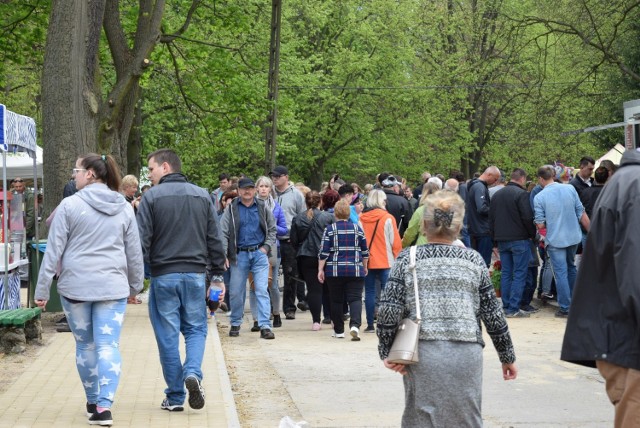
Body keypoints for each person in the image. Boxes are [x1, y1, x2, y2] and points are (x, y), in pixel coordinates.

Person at [376, 190, 517, 427]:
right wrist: (507, 356)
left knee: (420, 416)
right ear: (459, 225)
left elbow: (390, 310)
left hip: (421, 351)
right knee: (466, 416)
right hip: (466, 352)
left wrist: (387, 350)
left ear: (423, 225)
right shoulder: (474, 260)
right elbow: (493, 314)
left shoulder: (407, 259)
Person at [34, 153, 144, 426]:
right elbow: (134, 251)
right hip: (113, 287)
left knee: (85, 345)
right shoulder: (124, 206)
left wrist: (42, 290)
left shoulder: (69, 206)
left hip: (76, 288)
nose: (74, 175)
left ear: (91, 174)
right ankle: (104, 406)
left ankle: (93, 399)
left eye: (77, 170)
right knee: (108, 344)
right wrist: (135, 285)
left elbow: (53, 250)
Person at [137, 149, 226, 412]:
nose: (149, 175)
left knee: (167, 337)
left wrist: (136, 278)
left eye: (151, 169)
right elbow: (214, 239)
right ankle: (193, 373)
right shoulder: (202, 195)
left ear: (165, 167)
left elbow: (142, 240)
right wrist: (218, 275)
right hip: (196, 275)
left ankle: (175, 396)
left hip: (163, 275)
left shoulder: (150, 197)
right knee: (197, 329)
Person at [561, 148, 640, 428]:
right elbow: (634, 268)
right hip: (627, 337)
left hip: (618, 334)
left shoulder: (624, 181)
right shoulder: (634, 185)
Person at [221, 177, 277, 339]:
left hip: (259, 254)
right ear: (238, 190)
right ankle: (236, 322)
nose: (247, 191)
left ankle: (264, 325)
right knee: (236, 292)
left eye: (250, 188)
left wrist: (265, 248)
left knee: (261, 289)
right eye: (244, 188)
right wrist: (225, 254)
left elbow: (272, 229)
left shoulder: (262, 206)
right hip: (239, 255)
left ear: (255, 190)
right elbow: (223, 232)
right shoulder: (231, 209)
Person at [533, 165, 589, 317]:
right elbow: (581, 212)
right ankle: (577, 302)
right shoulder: (570, 189)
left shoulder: (539, 197)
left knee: (560, 273)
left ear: (540, 179)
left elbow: (540, 224)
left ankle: (565, 307)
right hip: (574, 237)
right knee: (571, 268)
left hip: (556, 239)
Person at [318, 199, 369, 340]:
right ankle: (355, 325)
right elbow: (365, 251)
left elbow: (324, 252)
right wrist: (364, 266)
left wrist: (320, 269)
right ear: (349, 212)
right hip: (355, 269)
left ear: (335, 213)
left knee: (336, 300)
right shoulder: (358, 228)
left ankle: (339, 331)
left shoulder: (329, 230)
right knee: (355, 299)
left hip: (334, 270)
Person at [489, 168, 537, 318]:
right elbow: (528, 217)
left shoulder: (497, 195)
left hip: (502, 239)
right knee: (519, 273)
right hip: (519, 239)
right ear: (522, 179)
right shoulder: (522, 194)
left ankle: (506, 305)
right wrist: (531, 235)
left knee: (507, 273)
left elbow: (491, 220)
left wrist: (494, 241)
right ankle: (514, 308)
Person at [290, 191, 335, 331]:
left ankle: (316, 321)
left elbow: (294, 240)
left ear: (306, 202)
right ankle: (332, 318)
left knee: (314, 289)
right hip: (327, 255)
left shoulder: (298, 218)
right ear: (320, 201)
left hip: (306, 256)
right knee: (330, 288)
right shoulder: (328, 217)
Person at [360, 189, 401, 333]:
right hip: (386, 260)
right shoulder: (388, 218)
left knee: (370, 292)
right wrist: (398, 259)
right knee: (388, 293)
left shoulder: (361, 218)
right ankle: (386, 323)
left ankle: (370, 324)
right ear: (382, 201)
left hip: (367, 261)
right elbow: (395, 242)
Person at [250, 176, 288, 328]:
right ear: (256, 188)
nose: (264, 189)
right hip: (254, 247)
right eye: (261, 186)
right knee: (254, 285)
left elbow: (284, 229)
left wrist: (270, 224)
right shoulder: (250, 206)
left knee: (271, 285)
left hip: (272, 248)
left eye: (267, 186)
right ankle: (256, 318)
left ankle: (276, 313)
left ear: (270, 189)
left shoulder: (276, 208)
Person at [271, 165, 307, 319]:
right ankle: (271, 308)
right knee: (268, 276)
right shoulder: (269, 193)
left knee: (290, 274)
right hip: (271, 241)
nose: (275, 179)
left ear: (286, 177)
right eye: (273, 176)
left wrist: (297, 237)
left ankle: (289, 307)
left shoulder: (296, 195)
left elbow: (302, 216)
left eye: (278, 176)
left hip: (288, 240)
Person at [465, 166, 501, 266]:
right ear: (489, 174)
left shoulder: (473, 185)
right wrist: (496, 210)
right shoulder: (479, 187)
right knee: (484, 264)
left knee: (475, 263)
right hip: (482, 230)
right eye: (495, 178)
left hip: (474, 228)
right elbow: (481, 208)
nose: (495, 182)